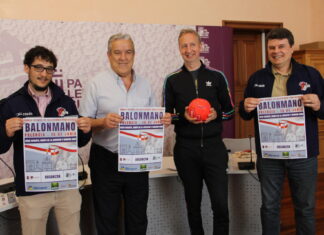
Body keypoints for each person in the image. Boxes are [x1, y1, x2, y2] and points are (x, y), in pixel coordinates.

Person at [79, 33, 171, 235]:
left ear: (134, 54)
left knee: (138, 219)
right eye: (117, 52)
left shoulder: (145, 84)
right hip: (106, 160)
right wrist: (102, 122)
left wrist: (162, 121)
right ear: (108, 55)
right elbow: (83, 124)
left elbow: (153, 120)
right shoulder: (96, 84)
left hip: (138, 162)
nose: (123, 57)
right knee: (107, 220)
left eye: (128, 52)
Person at [239, 28, 324, 235]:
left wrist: (318, 104)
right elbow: (245, 113)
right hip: (269, 154)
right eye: (272, 47)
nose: (276, 51)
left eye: (281, 46)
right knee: (269, 206)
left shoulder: (311, 74)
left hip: (303, 153)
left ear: (291, 48)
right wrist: (245, 106)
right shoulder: (257, 77)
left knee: (305, 207)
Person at [0, 45, 92, 235]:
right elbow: (1, 147)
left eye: (49, 69)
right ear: (27, 68)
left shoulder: (66, 102)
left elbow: (79, 142)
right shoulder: (10, 104)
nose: (44, 74)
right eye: (38, 68)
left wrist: (85, 130)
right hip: (32, 190)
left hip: (65, 187)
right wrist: (6, 132)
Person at [163, 28, 234, 235]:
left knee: (220, 205)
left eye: (192, 44)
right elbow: (167, 117)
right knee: (193, 206)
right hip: (186, 150)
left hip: (214, 149)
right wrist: (181, 117)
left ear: (200, 47)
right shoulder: (172, 80)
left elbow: (230, 112)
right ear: (179, 49)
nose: (189, 49)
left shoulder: (217, 77)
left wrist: (216, 115)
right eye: (184, 45)